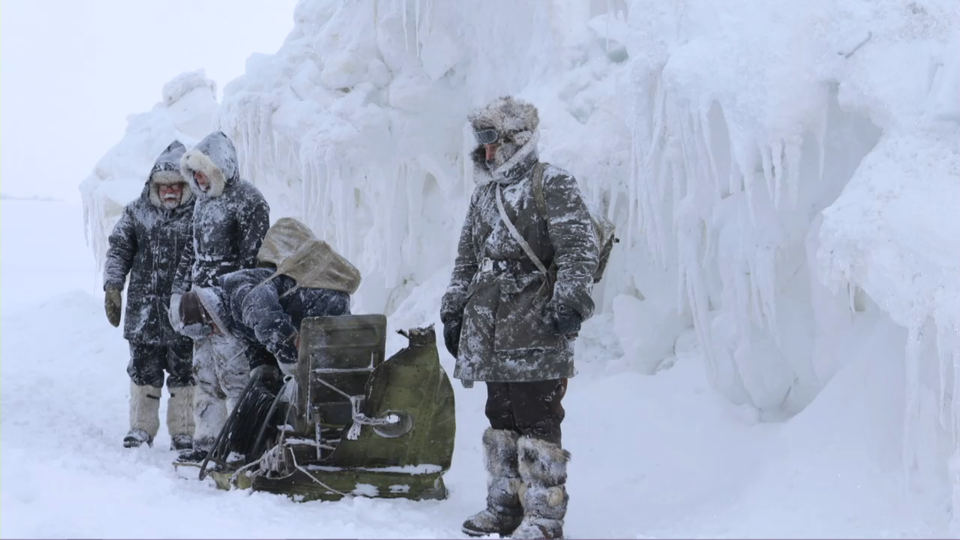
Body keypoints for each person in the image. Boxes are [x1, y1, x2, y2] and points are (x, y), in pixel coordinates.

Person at [440, 97, 600, 539]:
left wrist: (567, 304)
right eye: (482, 142)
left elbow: (578, 249)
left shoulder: (551, 183)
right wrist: (453, 308)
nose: (487, 151)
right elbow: (465, 260)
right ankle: (504, 506)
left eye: (493, 141)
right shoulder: (484, 196)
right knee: (500, 416)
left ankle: (544, 517)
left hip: (537, 323)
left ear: (517, 140)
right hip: (490, 327)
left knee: (538, 419)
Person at [174, 217, 359, 463]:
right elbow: (256, 343)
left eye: (210, 330)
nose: (214, 335)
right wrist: (262, 371)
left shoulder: (237, 290)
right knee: (284, 387)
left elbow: (266, 317)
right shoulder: (232, 313)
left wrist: (292, 361)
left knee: (306, 386)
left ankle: (315, 440)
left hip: (318, 302)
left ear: (209, 313)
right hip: (318, 313)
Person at [170, 131, 270, 461]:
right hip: (199, 305)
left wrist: (228, 306)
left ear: (220, 168)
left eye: (202, 172)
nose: (197, 180)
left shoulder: (249, 200)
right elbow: (190, 252)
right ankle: (207, 440)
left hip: (229, 309)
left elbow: (252, 262)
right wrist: (178, 292)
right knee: (204, 374)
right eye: (193, 174)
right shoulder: (202, 202)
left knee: (235, 377)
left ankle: (239, 444)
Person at [103, 140, 197, 450]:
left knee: (186, 373)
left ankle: (184, 431)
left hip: (185, 310)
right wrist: (113, 286)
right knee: (144, 370)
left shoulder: (200, 214)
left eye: (176, 185)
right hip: (144, 311)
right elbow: (119, 249)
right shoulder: (136, 212)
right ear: (153, 185)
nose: (170, 191)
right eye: (164, 185)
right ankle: (142, 428)